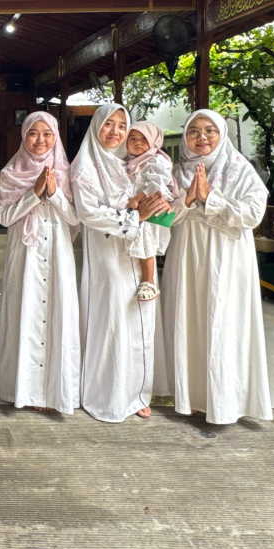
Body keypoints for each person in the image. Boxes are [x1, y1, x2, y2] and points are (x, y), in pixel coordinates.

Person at [162, 109, 272, 425]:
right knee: (188, 319)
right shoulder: (174, 172)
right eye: (194, 131)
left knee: (225, 322)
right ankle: (191, 398)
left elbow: (253, 214)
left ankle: (227, 400)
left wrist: (211, 197)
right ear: (185, 136)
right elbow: (163, 218)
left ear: (221, 134)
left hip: (229, 257)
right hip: (187, 255)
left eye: (210, 130)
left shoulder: (240, 169)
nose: (202, 137)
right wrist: (187, 198)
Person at [69, 103, 169, 423]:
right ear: (96, 126)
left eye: (121, 126)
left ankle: (136, 392)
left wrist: (149, 209)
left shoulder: (127, 162)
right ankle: (108, 393)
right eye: (108, 124)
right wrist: (135, 216)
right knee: (112, 320)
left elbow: (154, 196)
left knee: (138, 322)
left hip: (136, 252)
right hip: (107, 253)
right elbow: (89, 213)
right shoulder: (85, 165)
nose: (115, 131)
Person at [0, 111, 80, 414]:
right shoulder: (11, 172)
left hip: (57, 251)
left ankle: (54, 391)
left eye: (47, 134)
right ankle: (24, 389)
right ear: (24, 136)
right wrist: (33, 194)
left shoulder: (66, 173)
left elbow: (75, 218)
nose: (40, 140)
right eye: (33, 133)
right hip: (25, 254)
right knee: (25, 312)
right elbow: (4, 217)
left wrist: (53, 194)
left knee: (58, 313)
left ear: (55, 137)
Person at [124, 121, 176, 302]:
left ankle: (149, 281)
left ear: (154, 141)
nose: (138, 143)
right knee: (140, 240)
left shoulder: (156, 159)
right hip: (140, 209)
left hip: (150, 206)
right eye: (132, 138)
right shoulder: (132, 161)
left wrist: (137, 198)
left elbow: (158, 185)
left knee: (146, 243)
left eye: (144, 139)